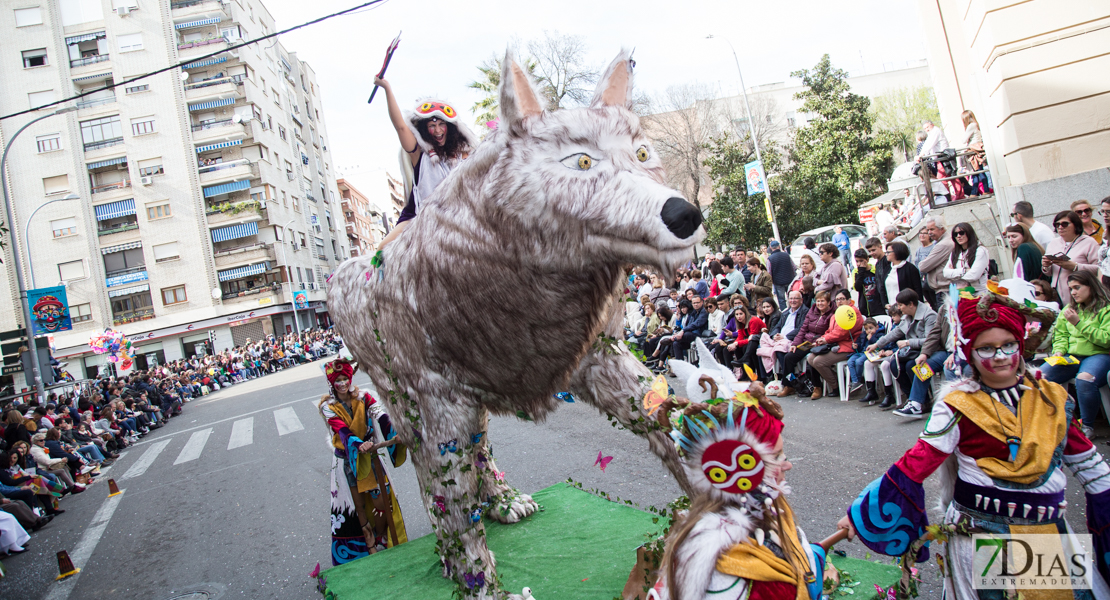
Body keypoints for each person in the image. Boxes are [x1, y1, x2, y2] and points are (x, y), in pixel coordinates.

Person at [837, 292, 1110, 598]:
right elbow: (917, 463)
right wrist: (861, 515)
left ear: (1020, 344)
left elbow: (1092, 470)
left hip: (1044, 532)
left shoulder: (1051, 398)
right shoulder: (957, 404)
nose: (1000, 356)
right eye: (986, 348)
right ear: (971, 352)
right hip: (983, 535)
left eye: (1008, 345)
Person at [651, 391, 828, 600]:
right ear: (743, 468)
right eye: (777, 456)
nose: (788, 464)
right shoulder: (726, 572)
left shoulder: (775, 515)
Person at [317, 357, 408, 563]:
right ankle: (369, 546)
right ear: (332, 383)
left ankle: (381, 537)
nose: (342, 383)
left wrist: (395, 432)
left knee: (381, 501)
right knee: (357, 506)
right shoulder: (327, 407)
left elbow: (380, 414)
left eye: (345, 378)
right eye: (337, 380)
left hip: (371, 456)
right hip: (347, 461)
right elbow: (341, 430)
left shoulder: (365, 397)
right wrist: (359, 444)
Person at [373, 78, 480, 250]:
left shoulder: (464, 154)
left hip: (459, 216)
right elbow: (400, 127)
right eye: (432, 125)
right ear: (425, 130)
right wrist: (387, 88)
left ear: (449, 127)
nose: (437, 131)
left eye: (441, 124)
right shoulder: (418, 153)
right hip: (420, 217)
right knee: (382, 249)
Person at [1039, 271, 1110, 436]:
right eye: (1071, 289)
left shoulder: (1106, 308)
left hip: (1099, 354)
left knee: (1085, 379)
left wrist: (1078, 323)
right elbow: (1061, 336)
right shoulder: (1068, 310)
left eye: (1077, 288)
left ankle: (1087, 426)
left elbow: (1106, 339)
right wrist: (1058, 351)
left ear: (1091, 287)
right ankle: (1049, 422)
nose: (1073, 293)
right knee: (1039, 376)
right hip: (1072, 356)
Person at [863, 290, 936, 409]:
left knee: (910, 365)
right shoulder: (907, 317)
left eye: (901, 305)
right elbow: (894, 333)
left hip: (927, 351)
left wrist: (908, 342)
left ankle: (924, 400)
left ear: (911, 304)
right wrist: (877, 345)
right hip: (913, 350)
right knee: (894, 365)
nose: (899, 308)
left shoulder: (929, 316)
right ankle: (910, 397)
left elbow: (930, 341)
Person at [804, 289, 863, 400]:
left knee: (819, 361)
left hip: (849, 347)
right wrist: (821, 339)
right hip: (835, 345)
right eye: (837, 300)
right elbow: (830, 331)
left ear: (849, 300)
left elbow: (842, 332)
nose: (839, 302)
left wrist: (826, 339)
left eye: (842, 299)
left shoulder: (852, 312)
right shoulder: (837, 313)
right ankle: (838, 382)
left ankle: (836, 387)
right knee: (811, 358)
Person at [776, 291, 834, 398]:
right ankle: (789, 385)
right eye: (818, 301)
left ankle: (817, 387)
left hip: (820, 342)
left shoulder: (832, 314)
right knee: (789, 357)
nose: (820, 303)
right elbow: (803, 330)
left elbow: (830, 331)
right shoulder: (812, 312)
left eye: (823, 301)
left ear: (829, 302)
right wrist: (795, 343)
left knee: (812, 358)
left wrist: (820, 340)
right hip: (807, 342)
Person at [1042, 210, 1101, 305]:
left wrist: (1075, 267)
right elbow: (1049, 273)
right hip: (1058, 295)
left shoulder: (1089, 242)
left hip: (1082, 296)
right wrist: (1046, 266)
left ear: (1075, 225)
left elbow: (1099, 269)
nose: (1060, 227)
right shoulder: (1054, 243)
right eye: (1057, 225)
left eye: (1064, 224)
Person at [917, 214, 955, 307]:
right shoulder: (941, 242)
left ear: (942, 229)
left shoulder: (943, 244)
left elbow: (923, 266)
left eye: (932, 229)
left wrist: (925, 261)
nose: (929, 232)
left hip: (945, 290)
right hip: (943, 289)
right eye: (928, 230)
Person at [942, 222, 990, 293]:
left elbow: (974, 275)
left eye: (961, 233)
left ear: (969, 233)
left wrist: (954, 275)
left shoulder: (980, 250)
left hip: (979, 293)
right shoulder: (955, 253)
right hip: (961, 293)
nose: (958, 236)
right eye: (955, 234)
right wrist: (964, 271)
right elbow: (945, 273)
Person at [847, 318, 885, 398]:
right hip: (861, 352)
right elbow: (860, 345)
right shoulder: (863, 334)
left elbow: (880, 345)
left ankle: (858, 379)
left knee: (859, 362)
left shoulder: (879, 334)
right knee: (850, 361)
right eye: (866, 329)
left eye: (871, 328)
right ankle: (855, 382)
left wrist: (871, 339)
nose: (869, 331)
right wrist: (856, 346)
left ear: (876, 327)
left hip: (871, 353)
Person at [880, 241, 923, 310]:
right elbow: (882, 288)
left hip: (908, 308)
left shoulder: (910, 268)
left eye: (888, 252)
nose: (886, 254)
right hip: (892, 309)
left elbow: (918, 290)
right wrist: (885, 304)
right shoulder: (887, 269)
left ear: (897, 253)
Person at [850, 248, 884, 319]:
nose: (859, 264)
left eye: (862, 261)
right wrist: (861, 271)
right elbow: (857, 287)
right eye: (857, 261)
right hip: (865, 305)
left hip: (877, 304)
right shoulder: (856, 272)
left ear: (867, 259)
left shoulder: (874, 269)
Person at [765, 240, 795, 310]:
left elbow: (769, 273)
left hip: (778, 282)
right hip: (789, 280)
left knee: (781, 300)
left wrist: (772, 283)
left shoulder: (770, 259)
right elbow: (794, 267)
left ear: (771, 247)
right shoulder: (786, 255)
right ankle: (792, 309)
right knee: (791, 297)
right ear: (779, 246)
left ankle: (784, 313)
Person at [1100, 196, 1110, 289]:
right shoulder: (1106, 233)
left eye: (1108, 212)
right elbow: (1101, 262)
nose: (1105, 215)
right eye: (1103, 211)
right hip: (1105, 282)